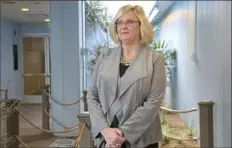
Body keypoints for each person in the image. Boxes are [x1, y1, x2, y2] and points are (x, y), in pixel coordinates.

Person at [87, 4, 166, 148]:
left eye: (130, 22)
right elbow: (92, 96)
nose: (123, 26)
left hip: (141, 139)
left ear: (141, 25)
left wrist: (121, 135)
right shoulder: (105, 56)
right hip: (106, 138)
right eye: (119, 22)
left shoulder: (155, 59)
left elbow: (153, 102)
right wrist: (105, 130)